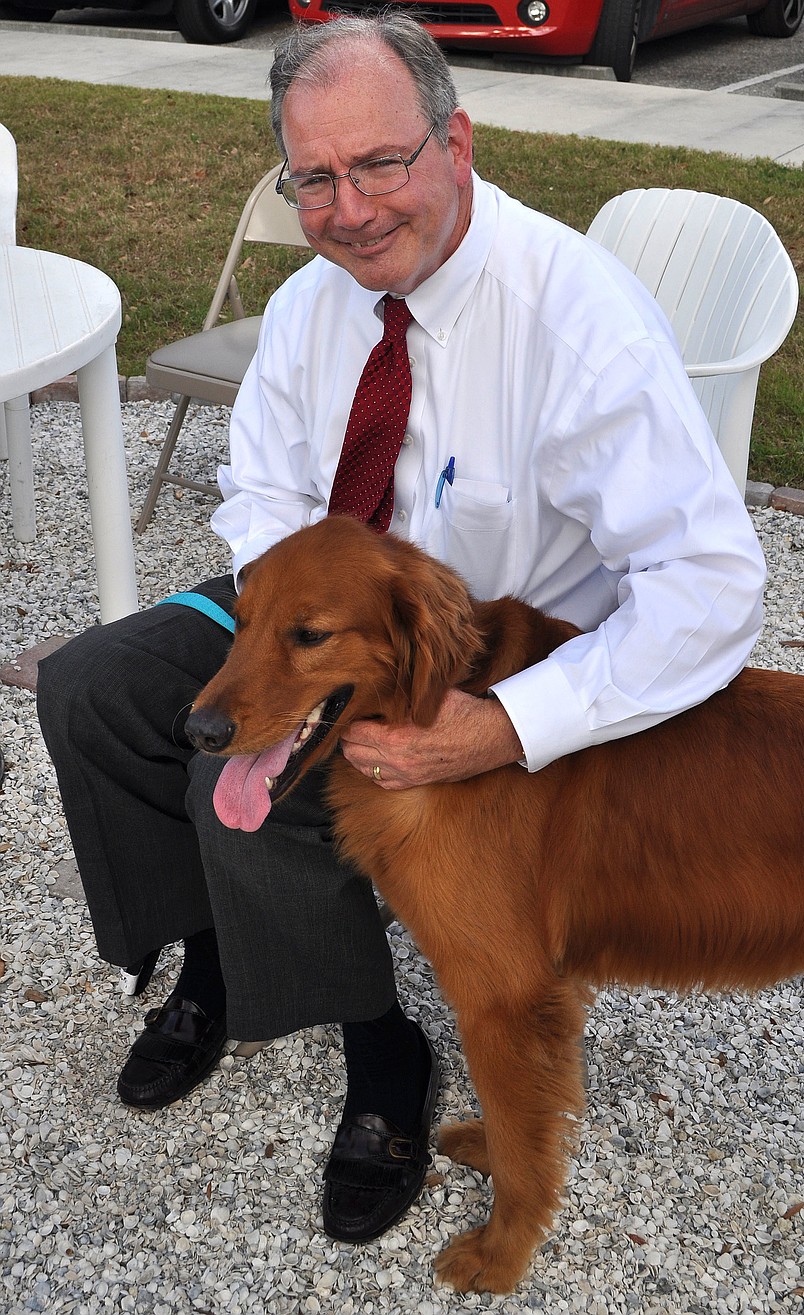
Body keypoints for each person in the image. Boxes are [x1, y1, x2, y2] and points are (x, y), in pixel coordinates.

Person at [37, 13, 766, 1244]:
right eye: (314, 177)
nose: (351, 208)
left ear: (457, 142)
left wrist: (504, 725)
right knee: (96, 686)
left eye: (380, 162)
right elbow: (263, 494)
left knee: (272, 770)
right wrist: (289, 625)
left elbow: (710, 585)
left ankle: (379, 1049)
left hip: (493, 653)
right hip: (328, 612)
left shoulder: (575, 321)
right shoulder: (318, 306)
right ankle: (215, 955)